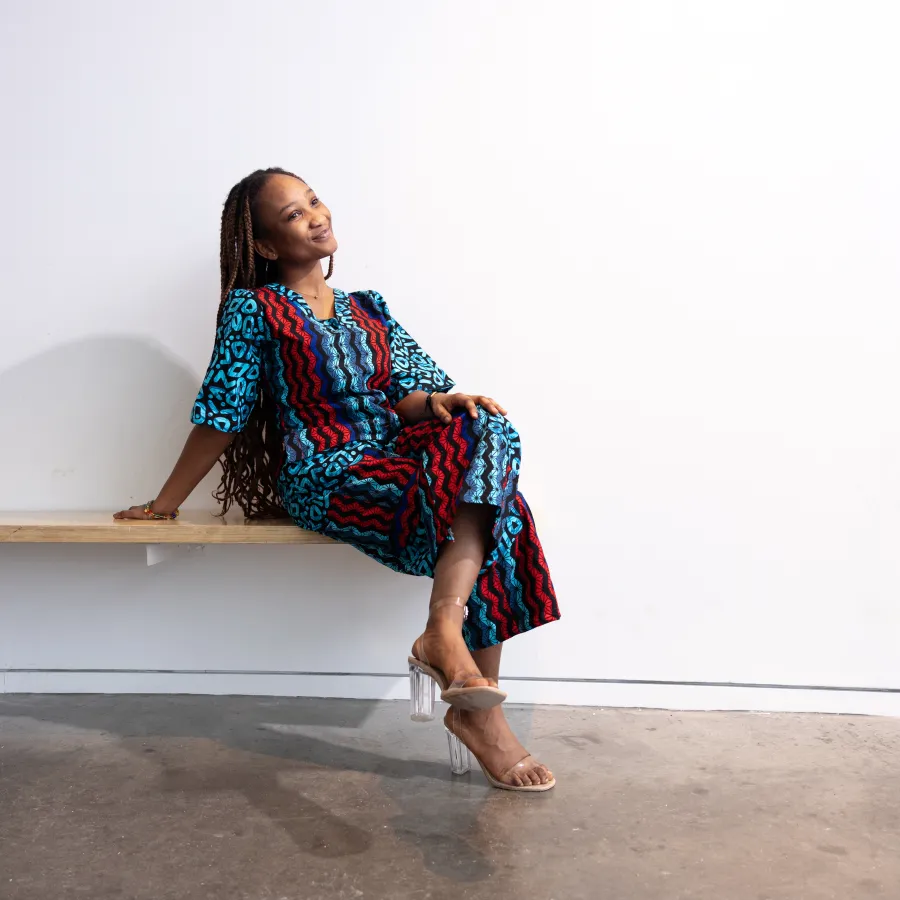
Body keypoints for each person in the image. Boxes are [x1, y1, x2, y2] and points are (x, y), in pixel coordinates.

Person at [114, 167, 561, 791]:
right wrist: (165, 504)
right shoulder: (255, 309)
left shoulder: (366, 308)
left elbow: (407, 394)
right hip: (326, 473)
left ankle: (443, 633)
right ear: (267, 246)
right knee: (500, 512)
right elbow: (225, 410)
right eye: (294, 214)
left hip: (396, 455)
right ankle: (471, 704)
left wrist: (438, 406)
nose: (317, 214)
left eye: (314, 200)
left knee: (488, 430)